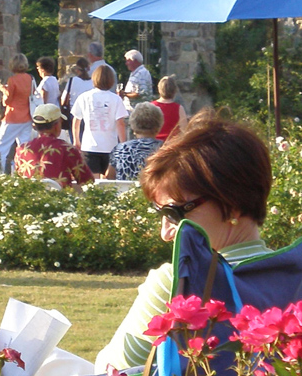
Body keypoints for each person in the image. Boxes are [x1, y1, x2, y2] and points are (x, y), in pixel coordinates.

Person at [95, 112, 276, 371]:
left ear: (232, 203)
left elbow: (114, 369)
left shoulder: (179, 280)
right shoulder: (299, 274)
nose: (166, 233)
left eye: (175, 213)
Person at [14, 104, 93, 188]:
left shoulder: (22, 149)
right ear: (56, 126)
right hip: (59, 199)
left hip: (30, 199)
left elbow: (18, 179)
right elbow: (87, 181)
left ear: (35, 126)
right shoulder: (67, 149)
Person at [72, 66, 129, 179]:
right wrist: (123, 144)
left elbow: (76, 120)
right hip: (110, 146)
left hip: (89, 146)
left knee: (92, 182)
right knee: (110, 182)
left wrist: (76, 140)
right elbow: (120, 123)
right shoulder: (116, 99)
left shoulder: (84, 97)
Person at [0, 53, 35, 174]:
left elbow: (8, 101)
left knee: (1, 148)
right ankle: (24, 172)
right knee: (24, 148)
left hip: (12, 117)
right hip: (27, 116)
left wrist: (3, 90)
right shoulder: (30, 78)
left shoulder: (12, 80)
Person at [106, 102, 163, 181]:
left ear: (133, 125)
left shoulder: (120, 149)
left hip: (125, 192)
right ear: (159, 125)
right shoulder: (166, 150)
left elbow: (110, 177)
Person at [60, 58, 94, 142]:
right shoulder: (93, 82)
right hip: (89, 114)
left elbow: (64, 98)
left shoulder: (72, 80)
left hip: (74, 113)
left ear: (77, 69)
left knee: (75, 140)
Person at [152, 75, 189, 141]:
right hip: (172, 144)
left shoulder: (151, 106)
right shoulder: (179, 108)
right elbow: (184, 130)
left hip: (154, 143)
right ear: (174, 90)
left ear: (159, 89)